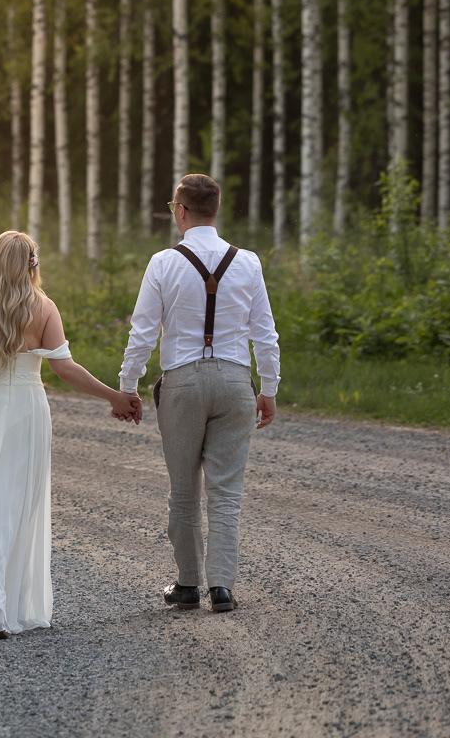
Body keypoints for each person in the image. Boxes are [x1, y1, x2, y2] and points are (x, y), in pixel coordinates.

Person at [0, 229, 134, 641]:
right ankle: (3, 604)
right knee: (14, 506)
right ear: (32, 263)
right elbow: (64, 368)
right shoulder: (44, 306)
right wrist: (114, 396)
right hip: (29, 410)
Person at [111, 173, 280, 613]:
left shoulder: (163, 263)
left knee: (184, 491)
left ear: (181, 211)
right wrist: (269, 387)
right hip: (235, 383)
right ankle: (221, 587)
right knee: (226, 493)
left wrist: (128, 386)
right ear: (215, 210)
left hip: (183, 383)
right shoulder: (248, 262)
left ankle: (187, 585)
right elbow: (264, 333)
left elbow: (143, 333)